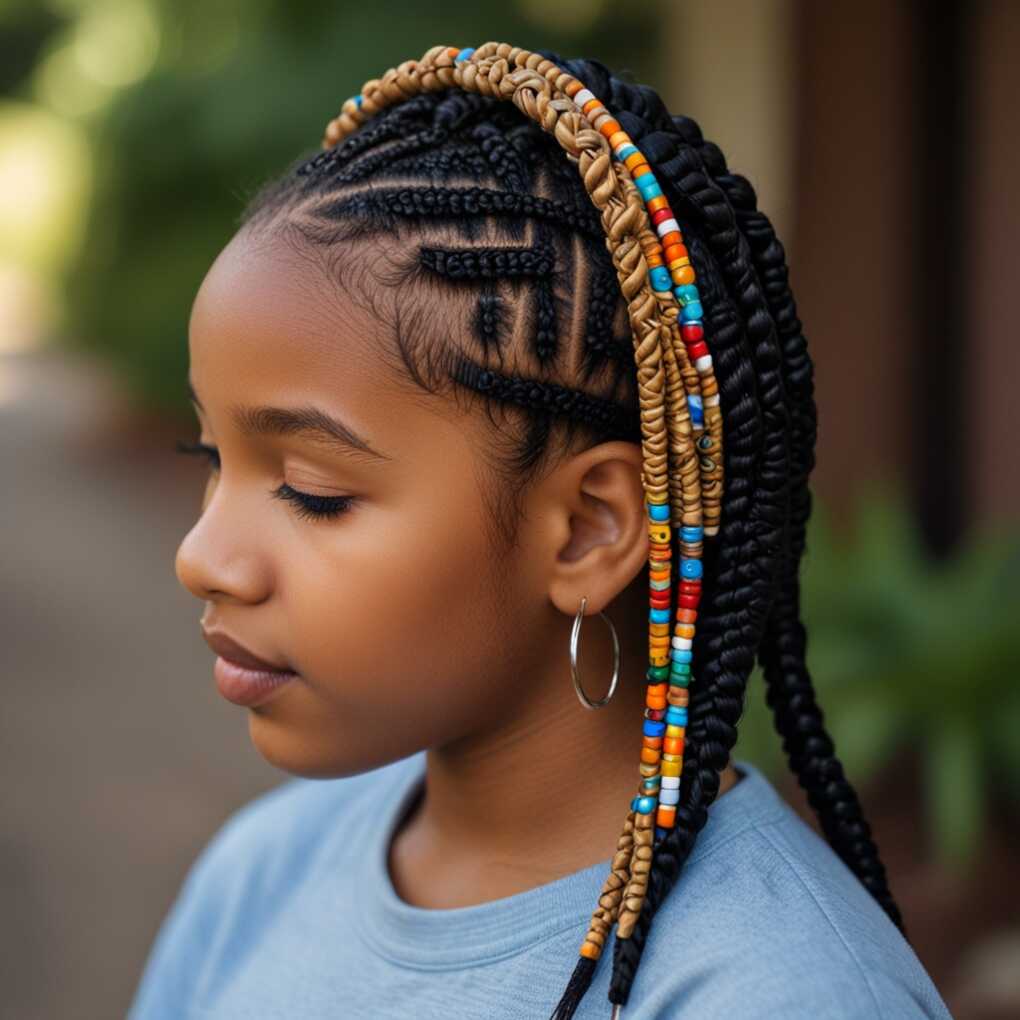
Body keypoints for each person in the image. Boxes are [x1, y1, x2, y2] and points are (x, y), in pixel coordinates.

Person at [128, 42, 953, 1019]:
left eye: (312, 489)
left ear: (589, 530)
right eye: (210, 458)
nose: (201, 557)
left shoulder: (774, 992)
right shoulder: (260, 873)